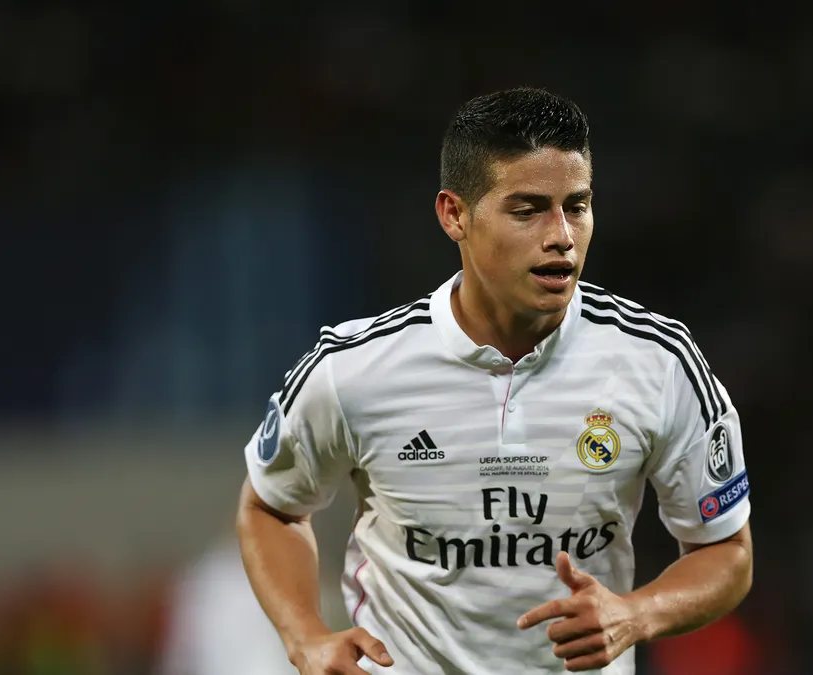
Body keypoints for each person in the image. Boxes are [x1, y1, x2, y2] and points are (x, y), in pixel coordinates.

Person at [236, 87, 753, 675]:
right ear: (454, 214)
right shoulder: (354, 369)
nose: (560, 235)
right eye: (528, 209)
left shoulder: (658, 362)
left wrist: (639, 613)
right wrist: (304, 636)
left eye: (576, 206)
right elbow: (271, 507)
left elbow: (726, 551)